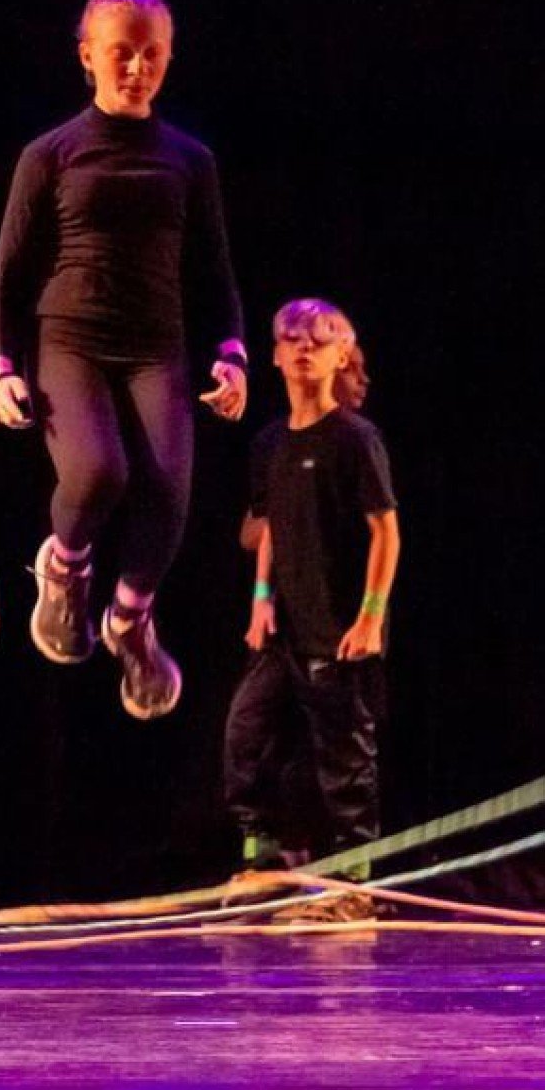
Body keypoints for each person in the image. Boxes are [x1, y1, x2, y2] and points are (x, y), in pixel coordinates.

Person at [0, 0, 247, 719]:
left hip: (156, 344)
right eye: (121, 52)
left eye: (151, 53)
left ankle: (129, 621)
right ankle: (63, 568)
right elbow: (5, 279)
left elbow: (216, 274)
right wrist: (1, 369)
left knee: (168, 494)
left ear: (168, 58)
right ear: (88, 57)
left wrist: (232, 355)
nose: (136, 67)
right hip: (70, 338)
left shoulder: (191, 161)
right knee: (99, 473)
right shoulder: (51, 154)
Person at [224, 299, 399, 923]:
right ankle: (265, 864)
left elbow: (386, 532)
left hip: (338, 624)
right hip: (284, 625)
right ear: (273, 353)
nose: (303, 349)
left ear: (341, 356)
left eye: (319, 341)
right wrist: (260, 600)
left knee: (343, 754)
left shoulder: (355, 438)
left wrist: (371, 614)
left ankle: (353, 883)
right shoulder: (270, 441)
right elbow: (268, 525)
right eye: (291, 339)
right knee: (248, 735)